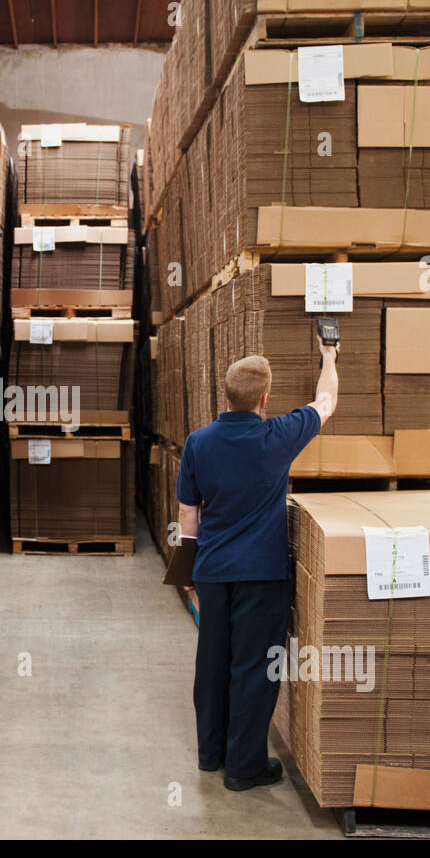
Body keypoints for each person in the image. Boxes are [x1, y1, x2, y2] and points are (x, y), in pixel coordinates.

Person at [175, 339, 338, 791]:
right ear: (265, 398)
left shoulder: (198, 442)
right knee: (254, 667)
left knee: (212, 662)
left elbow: (189, 516)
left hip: (212, 571)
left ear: (225, 396)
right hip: (262, 575)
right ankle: (244, 766)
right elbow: (327, 402)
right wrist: (328, 357)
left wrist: (187, 574)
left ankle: (210, 755)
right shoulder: (279, 435)